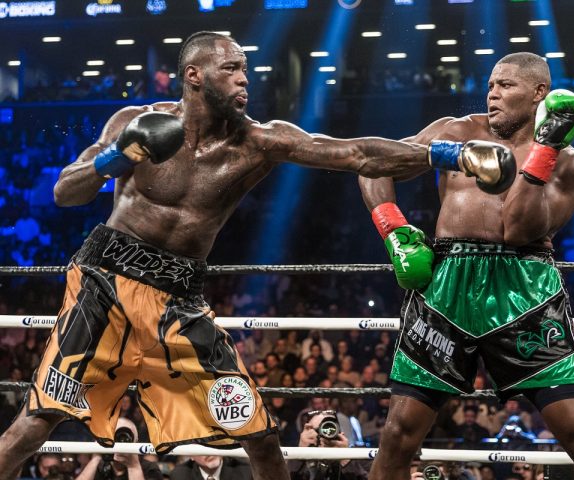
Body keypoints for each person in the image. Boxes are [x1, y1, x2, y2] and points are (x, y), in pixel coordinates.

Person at [0, 31, 511, 480]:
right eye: (231, 68)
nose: (245, 79)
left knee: (259, 434)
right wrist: (118, 157)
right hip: (104, 284)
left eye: (245, 69)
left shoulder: (259, 142)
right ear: (194, 75)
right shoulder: (134, 121)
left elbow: (355, 152)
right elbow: (65, 191)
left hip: (178, 302)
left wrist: (452, 153)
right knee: (39, 419)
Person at [358, 52, 574, 480]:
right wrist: (394, 231)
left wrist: (544, 149)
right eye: (491, 85)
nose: (492, 94)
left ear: (539, 93)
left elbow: (518, 229)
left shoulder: (570, 161)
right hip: (446, 287)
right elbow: (372, 164)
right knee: (398, 436)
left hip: (524, 289)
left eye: (506, 85)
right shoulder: (456, 132)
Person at [288, 409, 368, 480]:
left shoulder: (359, 456)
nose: (325, 433)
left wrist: (345, 459)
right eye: (318, 430)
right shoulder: (300, 462)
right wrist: (299, 455)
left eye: (330, 427)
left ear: (340, 432)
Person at [74, 417, 162, 480]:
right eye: (115, 437)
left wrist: (134, 467)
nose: (121, 443)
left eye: (126, 438)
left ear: (136, 442)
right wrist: (96, 458)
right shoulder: (101, 468)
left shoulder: (149, 468)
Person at [169, 455, 252, 480]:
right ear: (191, 456)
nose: (209, 452)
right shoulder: (180, 475)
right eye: (202, 447)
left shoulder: (245, 470)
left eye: (213, 444)